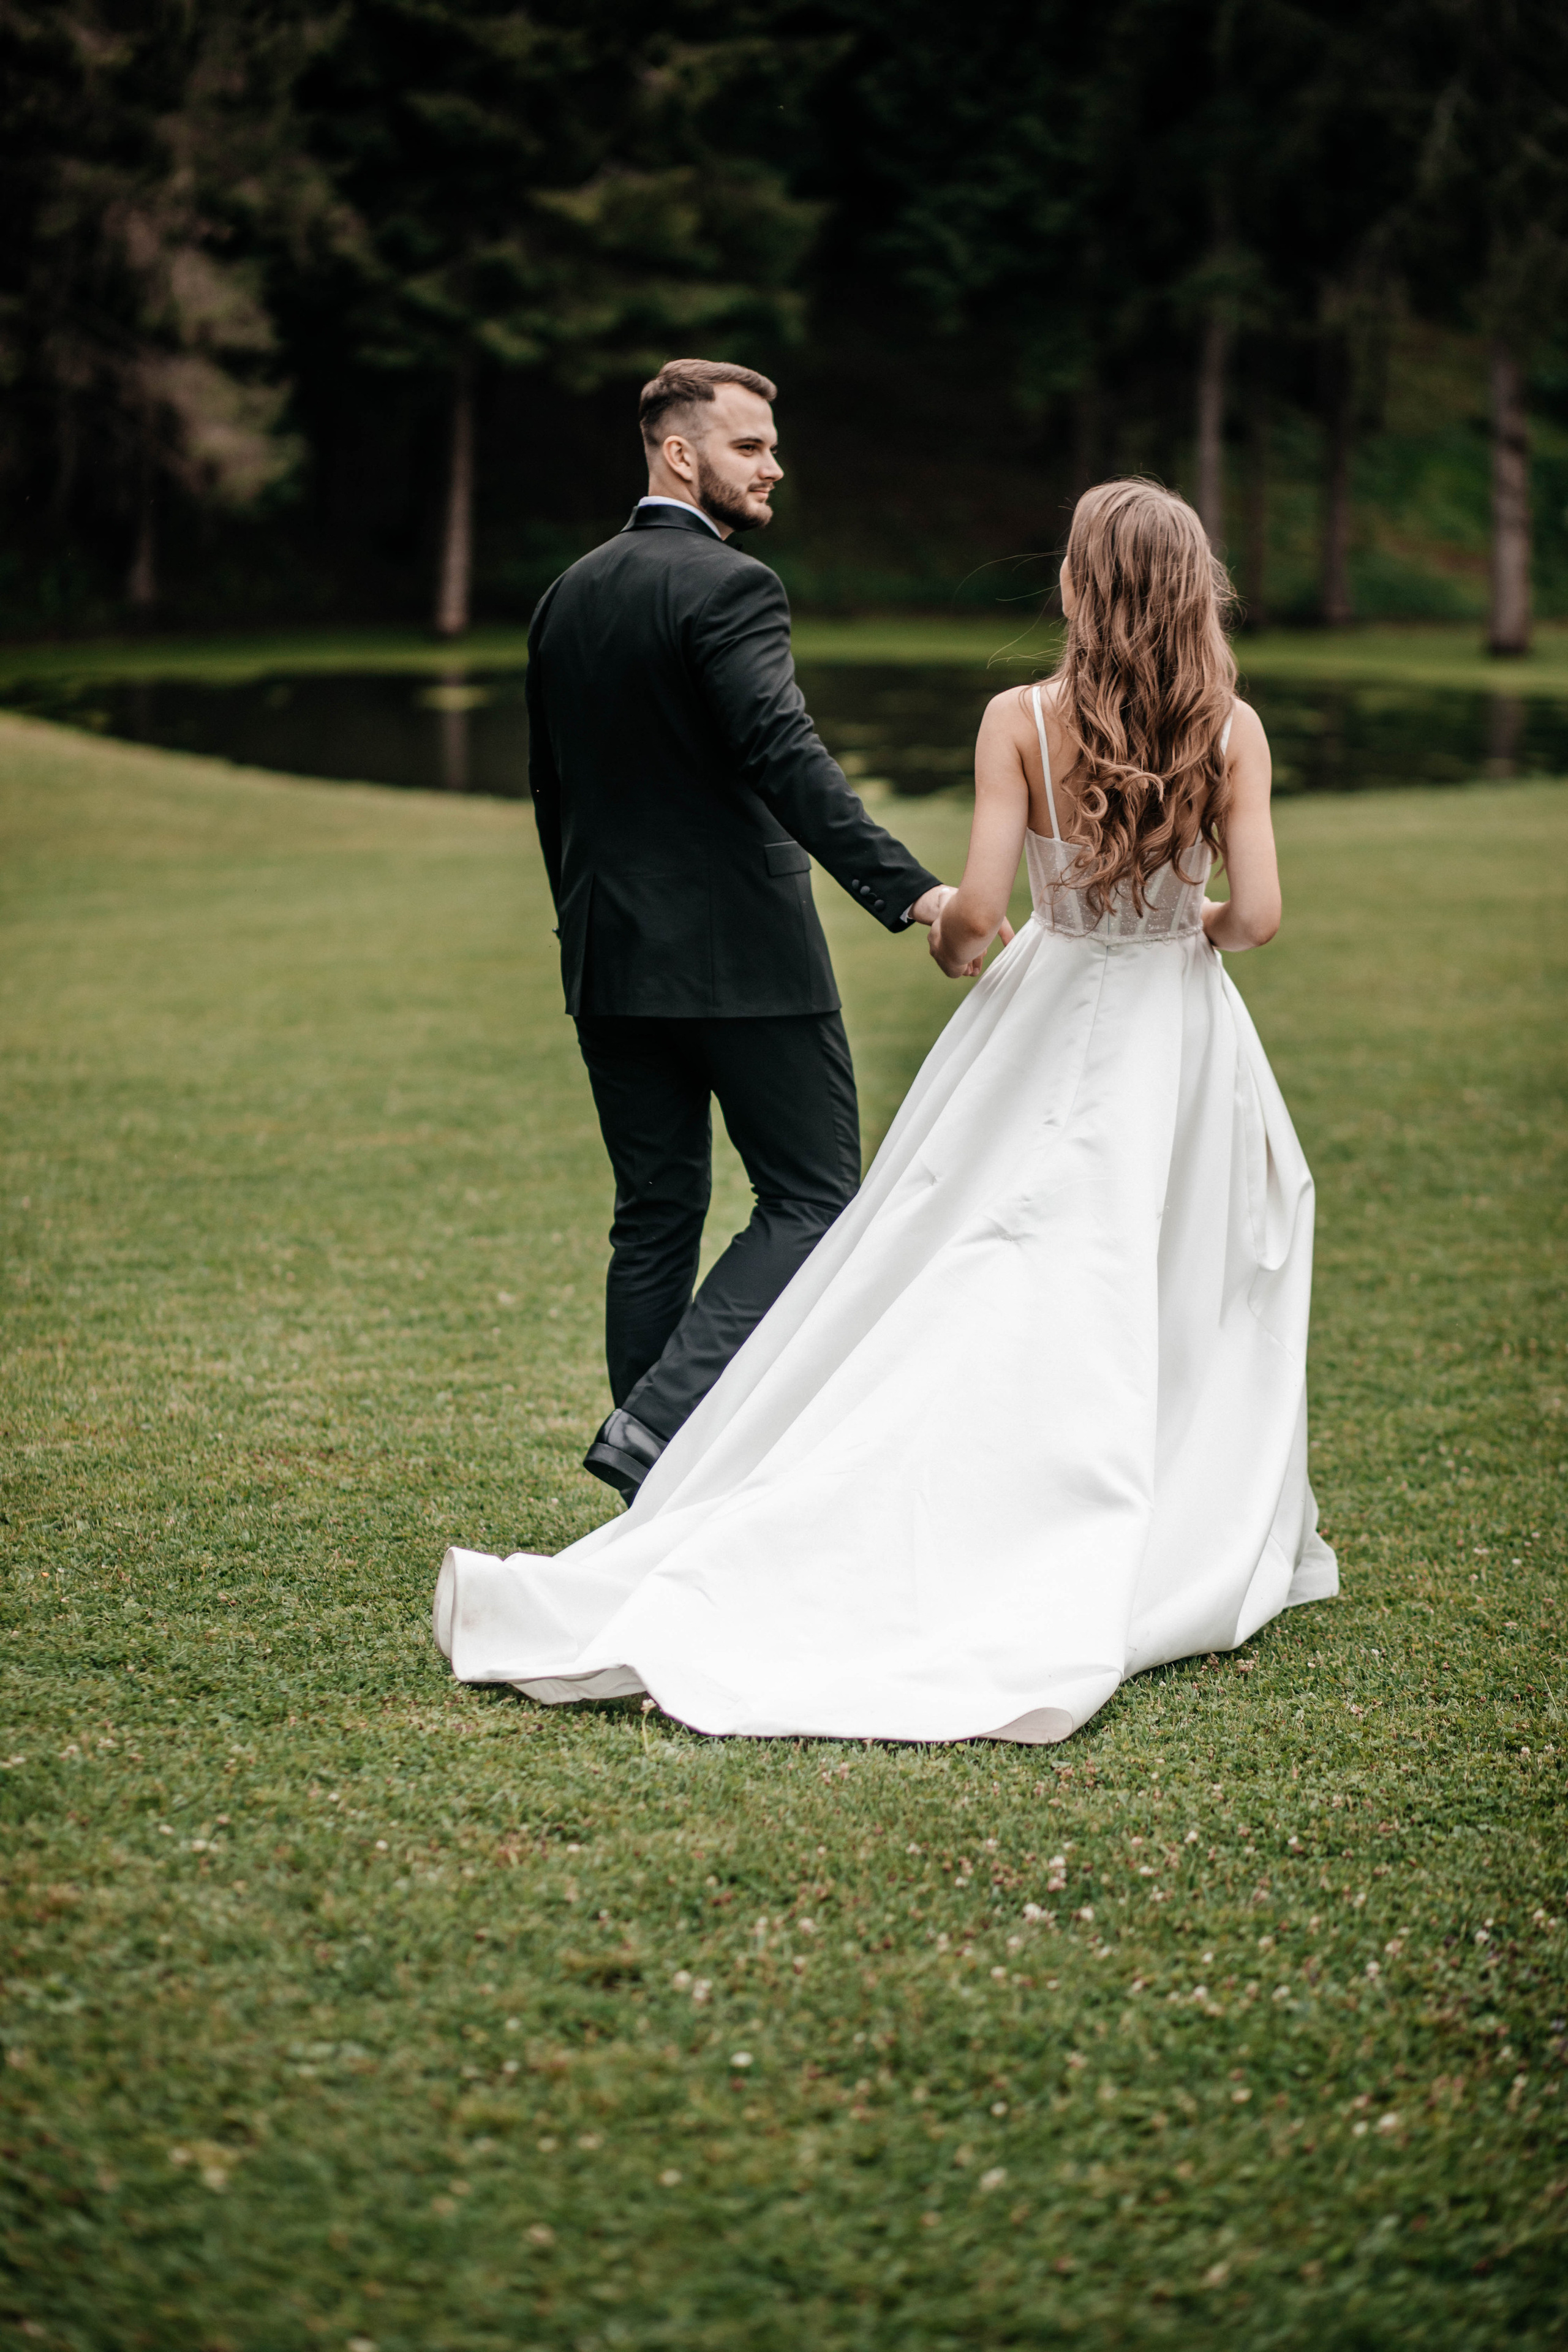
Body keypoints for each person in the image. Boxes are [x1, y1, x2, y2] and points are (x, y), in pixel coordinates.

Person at [438, 478, 1338, 1746]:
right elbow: (1253, 918)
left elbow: (977, 907)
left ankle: (952, 1481)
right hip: (1175, 1028)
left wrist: (966, 939)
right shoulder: (1229, 728)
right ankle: (1146, 1492)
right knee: (1166, 1257)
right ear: (1197, 584)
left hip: (1049, 1005)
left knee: (976, 1244)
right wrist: (1178, 924)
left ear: (1077, 583)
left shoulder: (1018, 718)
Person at [525, 358, 950, 1505]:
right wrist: (912, 892)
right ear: (680, 453)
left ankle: (644, 1478)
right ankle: (660, 1423)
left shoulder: (568, 594)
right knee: (816, 1195)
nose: (775, 465)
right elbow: (784, 756)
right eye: (751, 446)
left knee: (655, 1213)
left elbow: (551, 799)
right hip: (747, 961)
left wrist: (591, 931)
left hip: (609, 959)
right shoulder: (733, 589)